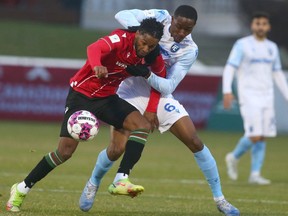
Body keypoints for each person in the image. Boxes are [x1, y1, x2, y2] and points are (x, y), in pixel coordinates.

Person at [79, 5, 240, 216]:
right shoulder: (159, 17)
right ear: (172, 19)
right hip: (128, 91)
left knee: (195, 141)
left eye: (187, 30)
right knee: (116, 149)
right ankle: (93, 183)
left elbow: (169, 86)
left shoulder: (190, 50)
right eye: (179, 27)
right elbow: (121, 15)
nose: (181, 33)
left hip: (159, 94)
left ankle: (220, 200)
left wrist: (147, 76)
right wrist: (140, 28)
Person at [6, 18, 166, 212]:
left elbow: (161, 79)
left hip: (107, 98)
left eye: (151, 46)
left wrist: (151, 107)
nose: (146, 49)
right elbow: (93, 48)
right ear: (138, 34)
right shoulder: (120, 38)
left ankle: (121, 179)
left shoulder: (152, 55)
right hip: (81, 96)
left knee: (142, 126)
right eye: (144, 43)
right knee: (64, 153)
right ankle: (22, 188)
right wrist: (97, 64)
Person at [223, 12, 288, 185]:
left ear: (268, 27)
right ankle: (233, 156)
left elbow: (277, 73)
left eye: (264, 23)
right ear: (253, 25)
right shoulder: (242, 45)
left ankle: (255, 174)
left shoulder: (272, 47)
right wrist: (227, 90)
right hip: (248, 95)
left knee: (263, 135)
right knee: (255, 135)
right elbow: (230, 68)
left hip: (267, 96)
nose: (260, 26)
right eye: (257, 23)